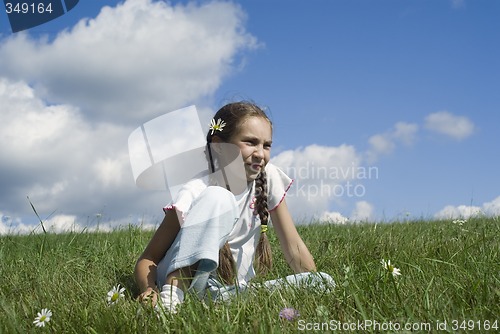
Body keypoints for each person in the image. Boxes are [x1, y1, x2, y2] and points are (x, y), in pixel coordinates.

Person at [134, 101, 334, 312]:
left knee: (323, 282)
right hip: (190, 283)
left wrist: (315, 289)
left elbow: (293, 246)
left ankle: (216, 303)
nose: (260, 153)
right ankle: (171, 300)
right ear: (219, 146)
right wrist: (149, 290)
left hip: (231, 291)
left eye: (266, 145)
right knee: (219, 197)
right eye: (250, 142)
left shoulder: (268, 177)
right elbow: (148, 258)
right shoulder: (196, 190)